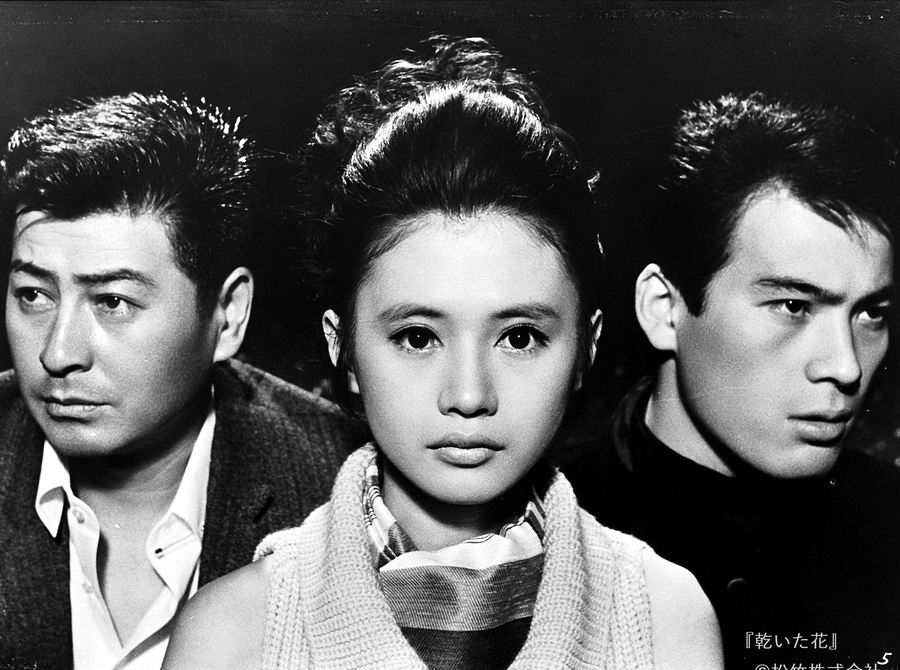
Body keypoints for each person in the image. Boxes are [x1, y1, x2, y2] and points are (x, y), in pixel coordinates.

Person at [163, 36, 722, 670]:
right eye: (417, 337)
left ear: (586, 350)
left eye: (519, 337)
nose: (469, 396)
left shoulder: (667, 618)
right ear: (342, 348)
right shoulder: (231, 636)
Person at [0, 92, 367, 670]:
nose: (58, 353)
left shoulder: (348, 491)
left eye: (113, 301)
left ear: (228, 315)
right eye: (33, 295)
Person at [563, 92, 900, 669]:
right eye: (793, 305)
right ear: (664, 310)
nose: (846, 366)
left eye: (871, 313)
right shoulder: (535, 540)